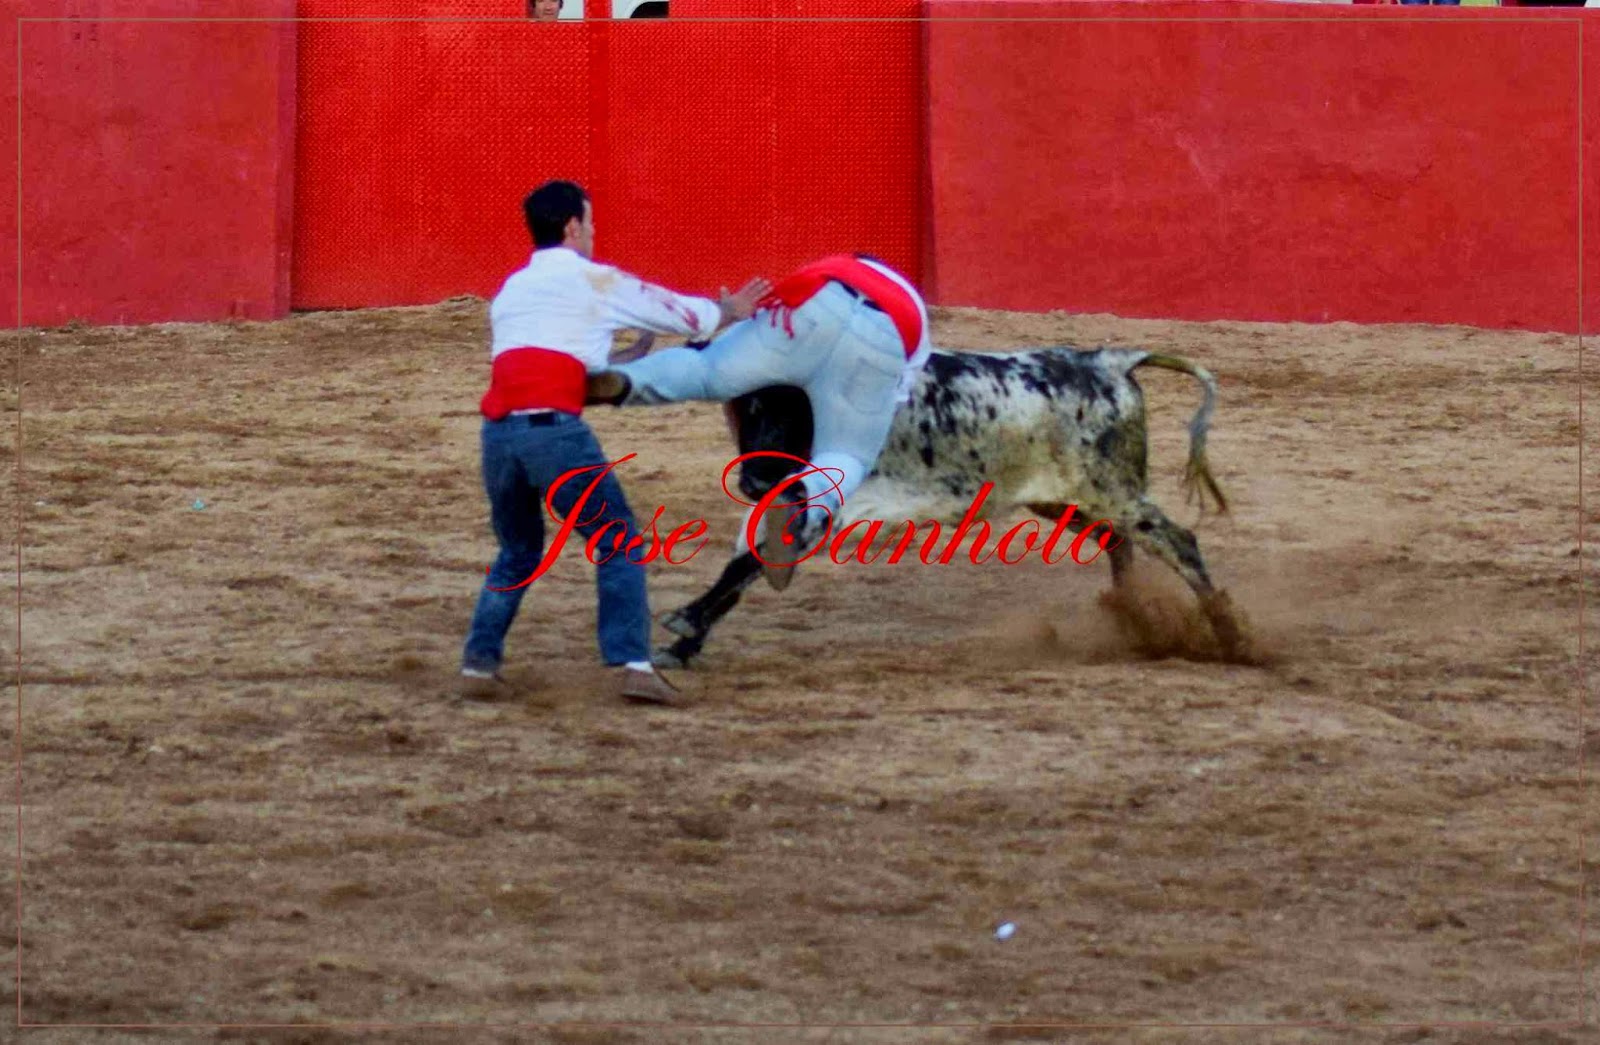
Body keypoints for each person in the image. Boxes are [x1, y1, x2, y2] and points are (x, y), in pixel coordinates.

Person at [459, 179, 769, 705]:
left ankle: (478, 665)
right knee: (618, 539)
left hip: (498, 436)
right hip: (553, 436)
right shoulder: (595, 281)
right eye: (591, 223)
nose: (593, 233)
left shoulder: (512, 290)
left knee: (518, 550)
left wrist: (623, 358)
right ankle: (634, 665)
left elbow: (554, 364)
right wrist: (727, 311)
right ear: (572, 226)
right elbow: (684, 315)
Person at [595, 254, 932, 585]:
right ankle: (800, 500)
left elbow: (730, 349)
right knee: (847, 456)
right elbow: (892, 404)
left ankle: (629, 378)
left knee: (706, 371)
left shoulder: (836, 264)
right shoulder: (916, 318)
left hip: (815, 299)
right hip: (888, 332)